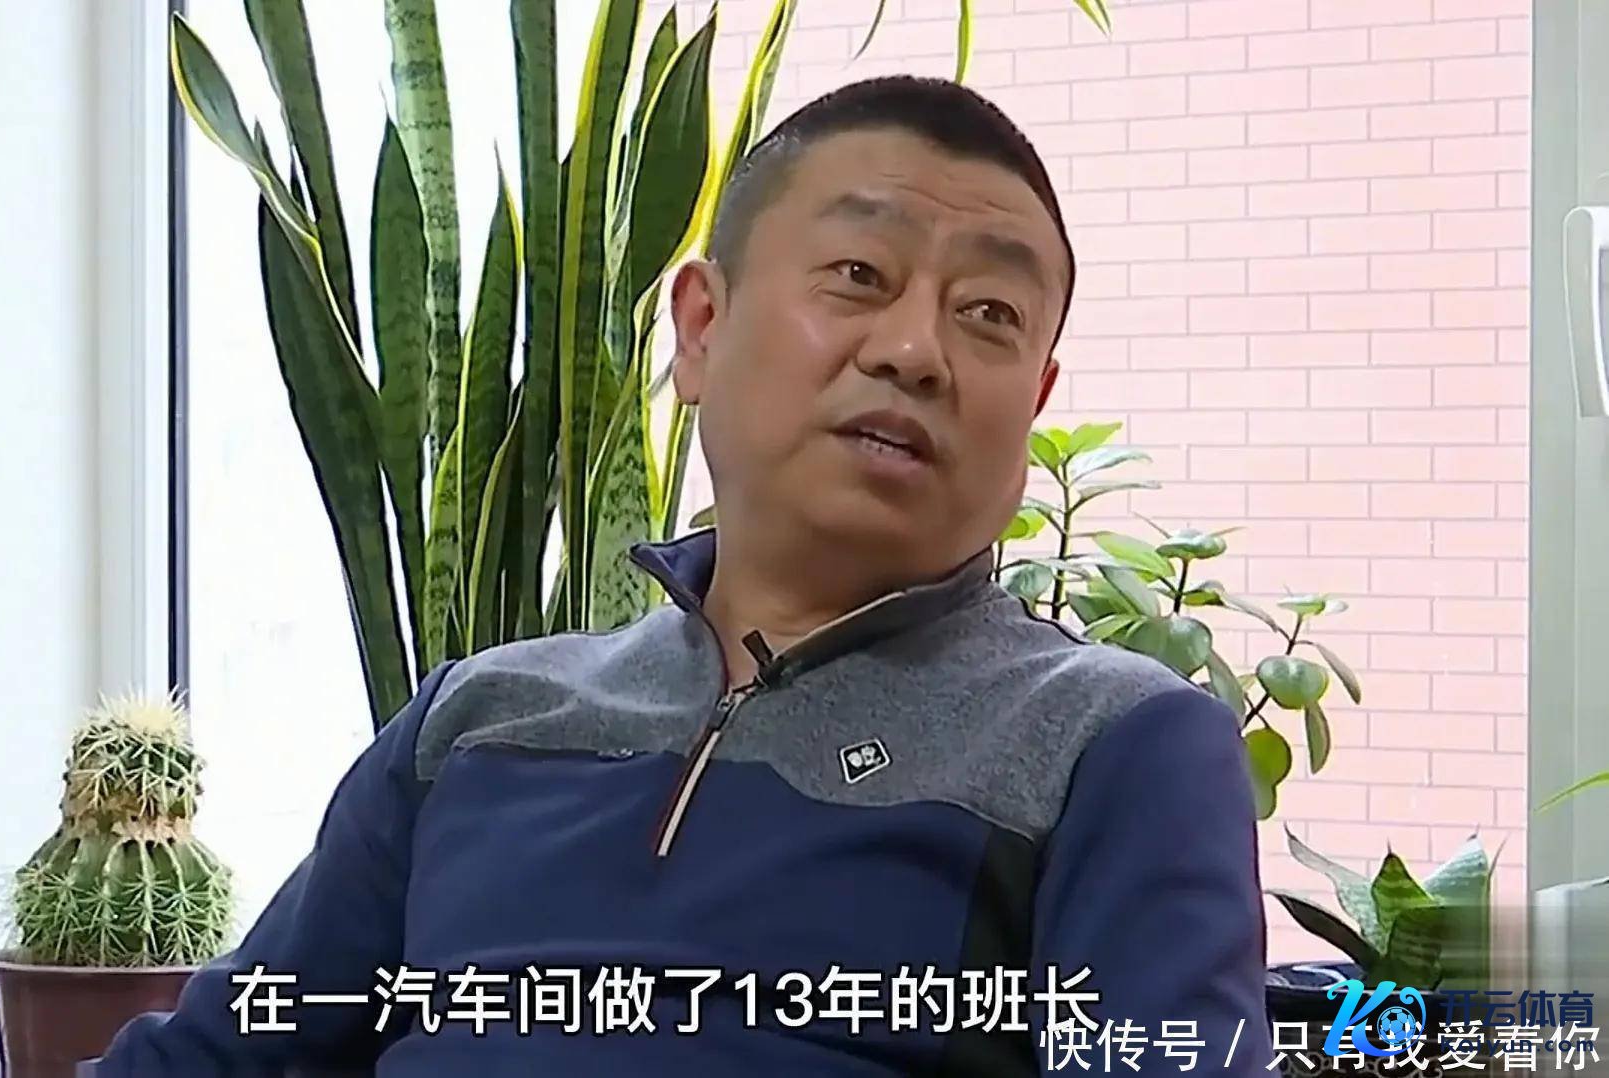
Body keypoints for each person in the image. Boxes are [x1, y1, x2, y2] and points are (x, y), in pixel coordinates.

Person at [84, 74, 1270, 1077]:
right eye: (858, 274)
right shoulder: (480, 720)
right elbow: (220, 1055)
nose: (915, 350)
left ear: (1037, 399)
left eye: (990, 313)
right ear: (699, 327)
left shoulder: (1110, 743)